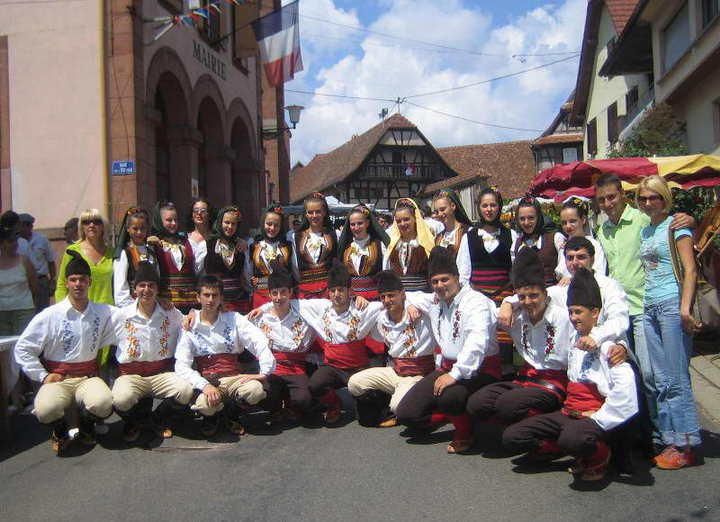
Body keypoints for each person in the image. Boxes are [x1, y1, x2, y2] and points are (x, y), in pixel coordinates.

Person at [502, 268, 639, 482]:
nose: (573, 318)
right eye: (571, 312)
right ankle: (562, 445)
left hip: (592, 414)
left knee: (572, 439)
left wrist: (599, 418)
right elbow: (540, 292)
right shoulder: (573, 336)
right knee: (512, 437)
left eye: (578, 312)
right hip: (568, 412)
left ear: (595, 313)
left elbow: (626, 395)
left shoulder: (610, 347)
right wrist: (508, 303)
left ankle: (600, 455)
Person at [595, 173, 693, 452]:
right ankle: (646, 432)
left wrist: (688, 219)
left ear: (623, 196)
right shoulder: (603, 230)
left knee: (653, 376)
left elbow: (670, 226)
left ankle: (665, 436)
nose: (607, 203)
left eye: (612, 197)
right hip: (618, 313)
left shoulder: (641, 219)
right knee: (629, 375)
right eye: (601, 199)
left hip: (645, 307)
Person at [250, 262, 384, 425]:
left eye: (341, 290)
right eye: (333, 290)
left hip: (358, 368)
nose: (336, 294)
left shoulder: (363, 308)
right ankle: (333, 404)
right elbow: (284, 301)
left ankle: (371, 403)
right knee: (315, 385)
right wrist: (262, 309)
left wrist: (359, 298)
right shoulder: (320, 307)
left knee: (368, 420)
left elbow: (388, 303)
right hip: (333, 367)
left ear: (350, 291)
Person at [396, 246, 501, 454]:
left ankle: (464, 432)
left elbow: (476, 343)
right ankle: (448, 414)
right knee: (407, 414)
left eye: (445, 279)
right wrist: (410, 305)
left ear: (457, 277)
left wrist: (456, 374)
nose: (440, 285)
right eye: (434, 282)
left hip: (479, 369)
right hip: (447, 368)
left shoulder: (476, 302)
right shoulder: (436, 301)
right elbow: (408, 294)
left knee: (449, 398)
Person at [14, 251, 115, 455]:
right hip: (58, 378)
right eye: (73, 279)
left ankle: (87, 426)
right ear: (67, 283)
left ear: (90, 282)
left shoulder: (103, 312)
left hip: (88, 377)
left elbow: (132, 315)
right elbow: (23, 347)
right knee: (45, 409)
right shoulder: (50, 315)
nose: (78, 284)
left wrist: (168, 308)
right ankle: (60, 430)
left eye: (82, 280)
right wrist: (42, 375)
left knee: (104, 403)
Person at [636, 175, 702, 469]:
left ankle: (686, 444)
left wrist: (685, 308)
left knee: (676, 378)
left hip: (672, 307)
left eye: (654, 197)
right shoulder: (646, 231)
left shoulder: (677, 226)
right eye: (643, 198)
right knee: (661, 379)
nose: (649, 203)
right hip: (649, 306)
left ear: (665, 199)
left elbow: (690, 270)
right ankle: (669, 438)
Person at [465, 248, 572, 425]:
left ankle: (548, 426)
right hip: (524, 379)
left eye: (534, 296)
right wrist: (508, 302)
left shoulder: (563, 317)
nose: (528, 302)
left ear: (545, 294)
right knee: (478, 403)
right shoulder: (517, 316)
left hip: (553, 382)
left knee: (507, 405)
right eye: (522, 297)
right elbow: (483, 317)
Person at [175, 275, 276, 437]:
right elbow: (181, 364)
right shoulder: (189, 325)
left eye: (215, 295)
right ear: (198, 297)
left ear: (221, 297)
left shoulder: (233, 319)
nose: (210, 300)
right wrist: (203, 385)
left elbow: (258, 340)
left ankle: (231, 414)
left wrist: (264, 372)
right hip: (209, 380)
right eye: (206, 295)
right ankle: (214, 417)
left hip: (234, 377)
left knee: (255, 390)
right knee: (204, 405)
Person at [111, 262, 192, 442]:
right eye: (142, 285)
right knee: (120, 399)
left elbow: (189, 322)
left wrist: (194, 313)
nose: (146, 290)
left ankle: (157, 418)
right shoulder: (120, 316)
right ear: (134, 288)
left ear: (157, 289)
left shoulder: (170, 312)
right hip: (131, 375)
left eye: (151, 285)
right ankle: (136, 421)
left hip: (160, 374)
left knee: (185, 390)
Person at [347, 270, 436, 428]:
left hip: (419, 375)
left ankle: (427, 411)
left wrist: (411, 303)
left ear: (402, 293)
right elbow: (362, 309)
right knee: (355, 382)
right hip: (396, 372)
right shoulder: (382, 318)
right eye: (383, 297)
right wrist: (357, 296)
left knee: (398, 406)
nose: (387, 300)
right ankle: (387, 403)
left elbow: (434, 297)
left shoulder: (420, 314)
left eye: (391, 295)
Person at [457, 187, 515, 370]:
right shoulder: (470, 237)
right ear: (479, 208)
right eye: (485, 205)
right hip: (478, 298)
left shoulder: (511, 235)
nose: (489, 209)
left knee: (503, 348)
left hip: (503, 300)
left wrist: (511, 301)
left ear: (499, 207)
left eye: (493, 205)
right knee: (479, 340)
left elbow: (515, 270)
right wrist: (471, 300)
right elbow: (463, 274)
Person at [251, 263, 316, 419]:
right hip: (274, 368)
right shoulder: (259, 316)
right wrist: (193, 315)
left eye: (283, 292)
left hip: (296, 368)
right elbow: (234, 323)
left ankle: (291, 401)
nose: (279, 297)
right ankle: (278, 404)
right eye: (274, 293)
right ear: (269, 294)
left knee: (304, 401)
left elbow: (330, 305)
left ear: (291, 292)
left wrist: (355, 297)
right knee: (262, 399)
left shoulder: (303, 310)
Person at [55, 209, 115, 367]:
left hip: (107, 313)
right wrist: (62, 311)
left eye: (96, 221)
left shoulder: (113, 253)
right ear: (81, 226)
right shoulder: (72, 251)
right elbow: (62, 283)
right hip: (79, 312)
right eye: (87, 222)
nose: (92, 225)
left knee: (104, 362)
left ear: (103, 226)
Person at [149, 201, 197, 314]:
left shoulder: (187, 242)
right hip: (166, 305)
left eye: (175, 219)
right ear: (160, 221)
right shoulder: (154, 244)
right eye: (169, 220)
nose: (173, 223)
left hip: (191, 304)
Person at [337, 203, 390, 301]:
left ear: (367, 223)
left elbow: (387, 274)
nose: (356, 228)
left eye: (360, 223)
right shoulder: (345, 248)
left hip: (375, 301)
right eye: (352, 224)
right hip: (352, 301)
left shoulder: (379, 246)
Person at [204, 206, 251, 314]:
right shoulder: (209, 244)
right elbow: (200, 273)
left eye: (233, 224)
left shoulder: (241, 245)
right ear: (220, 222)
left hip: (239, 301)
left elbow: (247, 273)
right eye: (227, 222)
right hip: (216, 301)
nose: (230, 226)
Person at [245, 205, 293, 308]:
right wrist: (252, 285)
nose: (272, 228)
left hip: (283, 296)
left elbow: (293, 269)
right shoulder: (254, 246)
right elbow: (248, 271)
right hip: (260, 295)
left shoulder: (287, 245)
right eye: (269, 224)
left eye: (276, 225)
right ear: (263, 224)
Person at [291, 192, 338, 299]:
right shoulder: (296, 237)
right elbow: (294, 266)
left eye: (318, 212)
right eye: (310, 212)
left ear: (325, 212)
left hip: (329, 290)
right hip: (305, 290)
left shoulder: (335, 235)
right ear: (306, 214)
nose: (314, 216)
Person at [384, 198, 435, 292]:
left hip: (423, 298)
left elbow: (434, 273)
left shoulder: (425, 243)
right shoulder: (393, 245)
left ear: (415, 219)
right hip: (399, 298)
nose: (402, 224)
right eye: (398, 221)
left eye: (406, 219)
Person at [113, 207, 158, 308]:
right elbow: (120, 290)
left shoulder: (152, 252)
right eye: (135, 228)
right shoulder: (124, 254)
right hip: (132, 309)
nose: (139, 232)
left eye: (142, 228)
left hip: (152, 307)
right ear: (128, 229)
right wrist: (134, 308)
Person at [554, 198, 606, 284]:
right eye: (564, 222)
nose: (568, 226)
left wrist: (572, 279)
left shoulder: (594, 245)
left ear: (583, 219)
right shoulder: (563, 246)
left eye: (572, 221)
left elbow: (599, 275)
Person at [511, 196, 559, 286]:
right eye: (522, 219)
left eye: (531, 218)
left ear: (539, 217)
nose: (526, 222)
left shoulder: (555, 238)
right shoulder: (516, 244)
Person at [0, 226, 39, 336]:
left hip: (23, 311)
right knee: (3, 348)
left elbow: (35, 288)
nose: (14, 244)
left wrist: (33, 308)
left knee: (22, 344)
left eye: (15, 241)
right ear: (1, 244)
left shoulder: (25, 261)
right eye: (10, 241)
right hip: (1, 312)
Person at [17, 213, 56, 311]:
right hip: (22, 281)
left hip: (40, 280)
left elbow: (51, 261)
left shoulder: (42, 239)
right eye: (22, 225)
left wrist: (52, 281)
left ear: (31, 226)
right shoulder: (15, 242)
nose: (24, 228)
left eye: (27, 225)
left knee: (42, 311)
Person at [432, 189, 473, 257]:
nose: (439, 214)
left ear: (453, 206)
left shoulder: (468, 232)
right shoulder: (438, 237)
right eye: (436, 211)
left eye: (442, 209)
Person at [187, 198, 213, 274]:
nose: (199, 213)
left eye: (203, 211)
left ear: (209, 215)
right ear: (192, 215)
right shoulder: (184, 238)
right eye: (195, 210)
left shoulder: (215, 238)